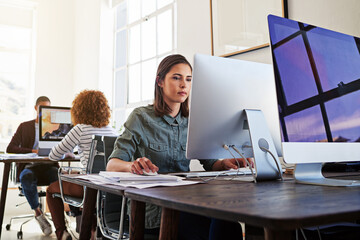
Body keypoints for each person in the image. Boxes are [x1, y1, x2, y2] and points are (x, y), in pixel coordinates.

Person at [106, 54, 247, 239]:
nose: (184, 85)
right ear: (160, 81)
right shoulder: (140, 117)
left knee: (228, 224)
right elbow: (112, 164)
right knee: (215, 228)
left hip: (186, 202)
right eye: (176, 78)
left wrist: (226, 162)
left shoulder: (192, 121)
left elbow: (210, 162)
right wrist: (132, 165)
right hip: (154, 210)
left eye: (188, 79)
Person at [46, 90, 117, 240]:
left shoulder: (80, 129)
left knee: (52, 190)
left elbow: (53, 155)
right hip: (110, 190)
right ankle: (91, 231)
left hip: (89, 189)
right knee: (78, 177)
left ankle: (62, 233)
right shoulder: (112, 130)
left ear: (79, 110)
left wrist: (68, 154)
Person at [6, 96, 58, 236]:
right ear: (36, 108)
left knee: (59, 176)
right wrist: (32, 151)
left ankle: (59, 218)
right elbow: (10, 148)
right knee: (27, 177)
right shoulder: (25, 126)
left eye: (47, 108)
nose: (44, 111)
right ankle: (39, 213)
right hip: (29, 167)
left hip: (48, 167)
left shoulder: (54, 128)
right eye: (42, 107)